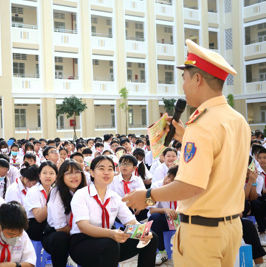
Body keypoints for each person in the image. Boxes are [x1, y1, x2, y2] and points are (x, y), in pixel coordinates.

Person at [122, 40, 251, 266]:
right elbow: (220, 163)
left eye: (185, 78)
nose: (183, 86)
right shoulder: (238, 120)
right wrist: (184, 136)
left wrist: (147, 196)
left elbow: (191, 185)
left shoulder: (200, 125)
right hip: (230, 228)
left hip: (203, 233)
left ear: (198, 79)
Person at [69, 156, 157, 267]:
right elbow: (83, 226)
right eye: (101, 169)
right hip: (82, 244)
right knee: (110, 243)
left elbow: (131, 221)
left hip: (109, 242)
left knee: (151, 237)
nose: (106, 172)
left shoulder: (115, 197)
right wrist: (111, 234)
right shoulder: (81, 194)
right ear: (91, 173)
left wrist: (143, 232)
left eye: (110, 169)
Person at [42, 160, 87, 267]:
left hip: (79, 232)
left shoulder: (85, 191)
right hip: (55, 234)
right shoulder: (56, 193)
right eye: (68, 173)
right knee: (60, 238)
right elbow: (60, 227)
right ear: (61, 176)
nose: (74, 176)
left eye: (77, 172)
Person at [0, 202, 36, 267]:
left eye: (19, 233)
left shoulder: (23, 234)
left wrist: (14, 265)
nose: (15, 237)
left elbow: (31, 263)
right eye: (11, 234)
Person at [148, 165, 179, 265]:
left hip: (182, 219)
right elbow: (151, 210)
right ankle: (162, 252)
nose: (166, 180)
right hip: (166, 219)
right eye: (167, 176)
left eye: (172, 179)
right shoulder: (156, 186)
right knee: (154, 218)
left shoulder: (185, 189)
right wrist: (165, 210)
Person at [24, 161, 57, 241]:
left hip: (50, 223)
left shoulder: (54, 190)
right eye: (44, 173)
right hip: (35, 227)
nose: (48, 176)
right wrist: (51, 200)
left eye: (52, 173)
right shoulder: (33, 191)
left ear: (56, 176)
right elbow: (39, 218)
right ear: (39, 175)